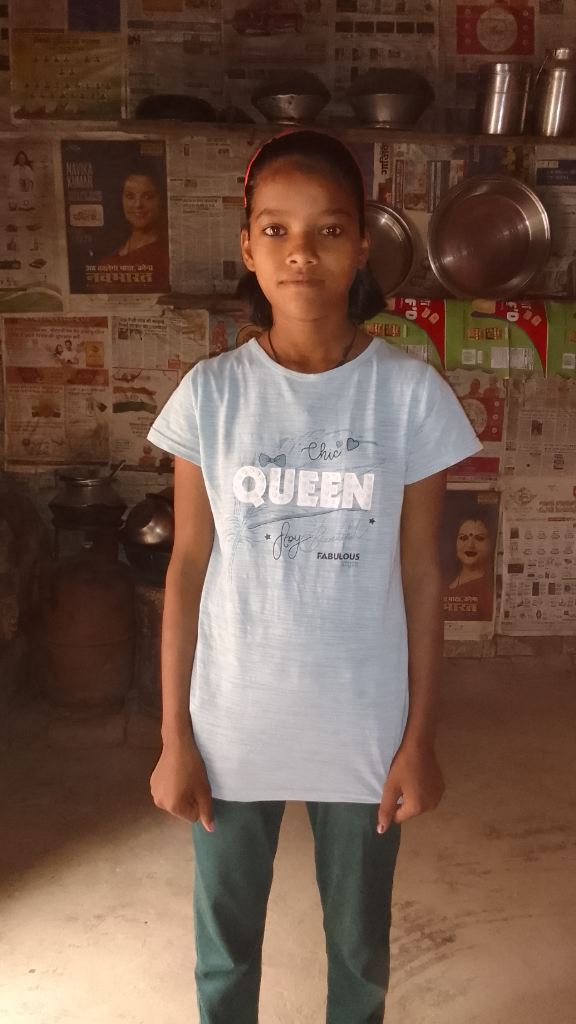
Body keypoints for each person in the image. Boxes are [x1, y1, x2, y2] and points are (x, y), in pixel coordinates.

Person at [147, 130, 481, 1024]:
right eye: (278, 229)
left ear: (363, 245)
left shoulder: (409, 396)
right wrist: (175, 735)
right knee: (223, 957)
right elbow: (186, 568)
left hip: (362, 733)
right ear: (249, 244)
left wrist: (420, 738)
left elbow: (422, 572)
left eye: (329, 230)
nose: (302, 252)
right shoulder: (210, 396)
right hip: (231, 726)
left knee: (360, 956)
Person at [93, 165, 170, 293]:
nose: (138, 204)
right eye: (130, 196)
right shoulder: (109, 260)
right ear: (121, 200)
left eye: (148, 196)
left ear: (160, 199)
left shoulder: (167, 253)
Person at [444, 515, 495, 622]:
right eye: (463, 538)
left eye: (479, 539)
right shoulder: (443, 583)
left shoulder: (493, 588)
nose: (470, 545)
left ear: (491, 544)